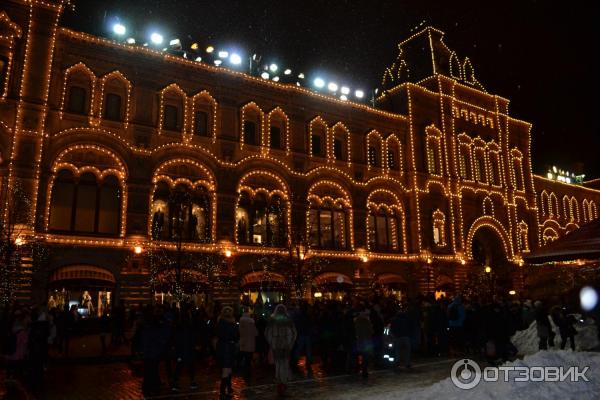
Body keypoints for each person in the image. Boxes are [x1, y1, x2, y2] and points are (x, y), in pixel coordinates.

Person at [265, 304, 297, 396]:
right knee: (285, 363)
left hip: (277, 346)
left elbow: (267, 333)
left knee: (278, 364)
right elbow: (294, 333)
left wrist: (272, 343)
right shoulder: (288, 319)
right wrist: (290, 343)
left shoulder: (272, 320)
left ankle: (280, 383)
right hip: (286, 345)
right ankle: (283, 383)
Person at [216, 306, 238, 398]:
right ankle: (222, 391)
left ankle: (228, 388)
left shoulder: (221, 323)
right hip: (227, 348)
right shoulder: (228, 324)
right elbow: (234, 335)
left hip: (224, 347)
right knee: (226, 370)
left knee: (228, 369)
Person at [354, 307, 373, 378]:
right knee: (366, 357)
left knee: (361, 356)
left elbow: (356, 332)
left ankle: (360, 369)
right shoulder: (366, 321)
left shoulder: (356, 321)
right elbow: (371, 331)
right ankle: (364, 371)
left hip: (360, 341)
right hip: (366, 341)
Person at [238, 309, 258, 380]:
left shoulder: (241, 322)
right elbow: (256, 333)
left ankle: (242, 372)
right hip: (250, 343)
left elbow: (239, 332)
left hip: (243, 343)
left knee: (242, 358)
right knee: (248, 360)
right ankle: (248, 373)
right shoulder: (251, 322)